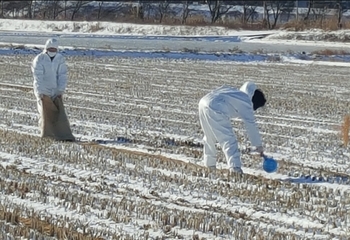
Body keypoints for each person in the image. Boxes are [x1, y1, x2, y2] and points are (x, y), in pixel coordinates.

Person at [198, 81, 266, 174]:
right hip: (216, 106)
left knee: (209, 136)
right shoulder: (246, 101)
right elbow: (251, 125)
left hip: (203, 102)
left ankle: (209, 165)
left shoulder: (235, 93)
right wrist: (258, 145)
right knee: (228, 139)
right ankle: (235, 169)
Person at [31, 38, 75, 142]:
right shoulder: (39, 59)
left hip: (55, 90)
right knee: (44, 113)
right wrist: (40, 92)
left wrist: (60, 90)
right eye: (50, 48)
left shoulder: (60, 59)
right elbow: (38, 77)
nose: (52, 51)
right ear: (46, 48)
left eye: (54, 49)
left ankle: (60, 134)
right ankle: (46, 134)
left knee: (58, 114)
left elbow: (62, 75)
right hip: (43, 90)